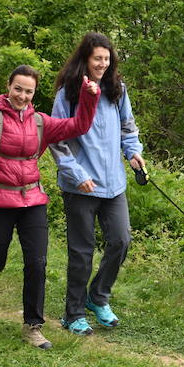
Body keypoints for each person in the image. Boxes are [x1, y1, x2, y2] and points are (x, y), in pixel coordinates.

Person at [0, 64, 99, 350]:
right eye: (18, 89)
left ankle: (33, 326)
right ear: (8, 86)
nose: (23, 96)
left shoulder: (41, 122)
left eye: (29, 91)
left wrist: (91, 97)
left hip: (32, 201)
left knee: (37, 263)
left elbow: (79, 126)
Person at [50, 32, 145, 336]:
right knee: (82, 251)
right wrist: (77, 174)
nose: (102, 64)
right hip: (81, 186)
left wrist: (133, 153)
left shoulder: (116, 90)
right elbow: (57, 138)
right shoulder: (68, 93)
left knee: (121, 240)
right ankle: (73, 313)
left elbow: (128, 127)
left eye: (106, 59)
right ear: (85, 60)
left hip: (113, 184)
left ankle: (97, 297)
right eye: (97, 59)